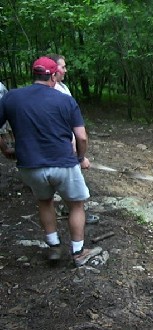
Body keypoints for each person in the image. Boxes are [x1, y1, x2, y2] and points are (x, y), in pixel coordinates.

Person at [0, 56, 101, 267]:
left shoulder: (11, 97)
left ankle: (54, 246)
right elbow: (81, 137)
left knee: (44, 201)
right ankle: (78, 252)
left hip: (30, 166)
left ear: (34, 74)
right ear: (53, 75)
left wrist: (5, 149)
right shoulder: (65, 100)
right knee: (76, 205)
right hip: (63, 164)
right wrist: (81, 158)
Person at [46, 53, 99, 224]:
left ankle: (69, 209)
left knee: (69, 184)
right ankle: (75, 215)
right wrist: (77, 154)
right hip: (62, 146)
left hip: (69, 142)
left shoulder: (63, 88)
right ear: (53, 69)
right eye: (62, 66)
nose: (66, 70)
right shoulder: (51, 91)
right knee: (73, 186)